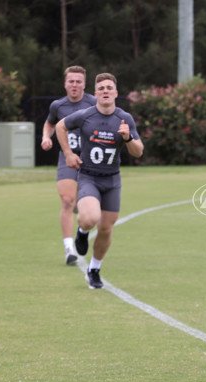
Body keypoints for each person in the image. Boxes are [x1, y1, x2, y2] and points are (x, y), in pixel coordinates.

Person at [55, 73, 144, 289]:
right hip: (88, 177)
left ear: (116, 93)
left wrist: (128, 138)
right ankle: (82, 232)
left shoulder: (125, 119)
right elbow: (60, 127)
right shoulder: (85, 115)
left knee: (106, 229)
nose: (105, 91)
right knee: (89, 218)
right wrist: (68, 153)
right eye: (101, 88)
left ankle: (94, 269)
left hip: (112, 180)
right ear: (95, 94)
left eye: (109, 87)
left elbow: (138, 152)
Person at [41, 66, 97, 265]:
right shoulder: (58, 106)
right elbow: (49, 123)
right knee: (66, 200)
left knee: (88, 209)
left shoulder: (94, 103)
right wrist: (46, 137)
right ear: (65, 84)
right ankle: (68, 249)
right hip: (67, 157)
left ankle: (81, 226)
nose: (75, 85)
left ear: (84, 84)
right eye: (71, 81)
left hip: (91, 160)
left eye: (78, 81)